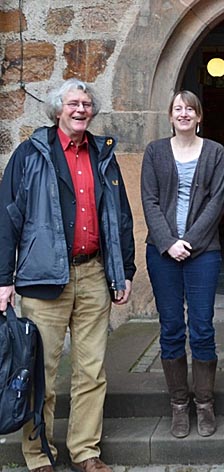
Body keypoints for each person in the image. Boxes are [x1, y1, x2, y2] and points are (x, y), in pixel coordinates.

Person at [0, 78, 136, 472]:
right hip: (44, 279)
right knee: (39, 370)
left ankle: (86, 451)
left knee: (91, 369)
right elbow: (7, 220)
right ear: (58, 109)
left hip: (94, 273)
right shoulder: (30, 154)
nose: (81, 110)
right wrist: (4, 279)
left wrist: (123, 270)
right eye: (74, 103)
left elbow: (120, 218)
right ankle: (38, 454)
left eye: (87, 104)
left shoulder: (102, 155)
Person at [141, 90, 224, 438]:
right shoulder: (155, 151)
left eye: (190, 109)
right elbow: (148, 199)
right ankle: (179, 404)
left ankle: (204, 403)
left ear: (199, 115)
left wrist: (188, 241)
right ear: (170, 114)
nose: (184, 114)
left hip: (203, 252)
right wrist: (168, 243)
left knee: (203, 326)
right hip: (162, 253)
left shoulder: (215, 152)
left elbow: (217, 201)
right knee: (172, 326)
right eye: (178, 108)